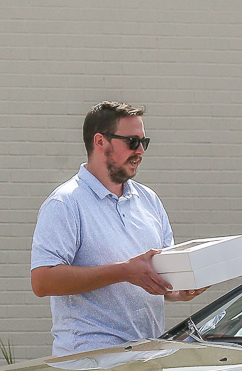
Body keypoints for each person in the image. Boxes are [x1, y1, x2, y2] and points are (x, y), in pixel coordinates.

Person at [30, 101, 204, 356]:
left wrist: (179, 290)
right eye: (132, 142)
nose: (140, 151)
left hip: (147, 356)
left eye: (144, 142)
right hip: (89, 361)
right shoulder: (65, 203)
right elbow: (42, 281)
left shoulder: (149, 200)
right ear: (100, 142)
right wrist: (124, 271)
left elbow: (157, 275)